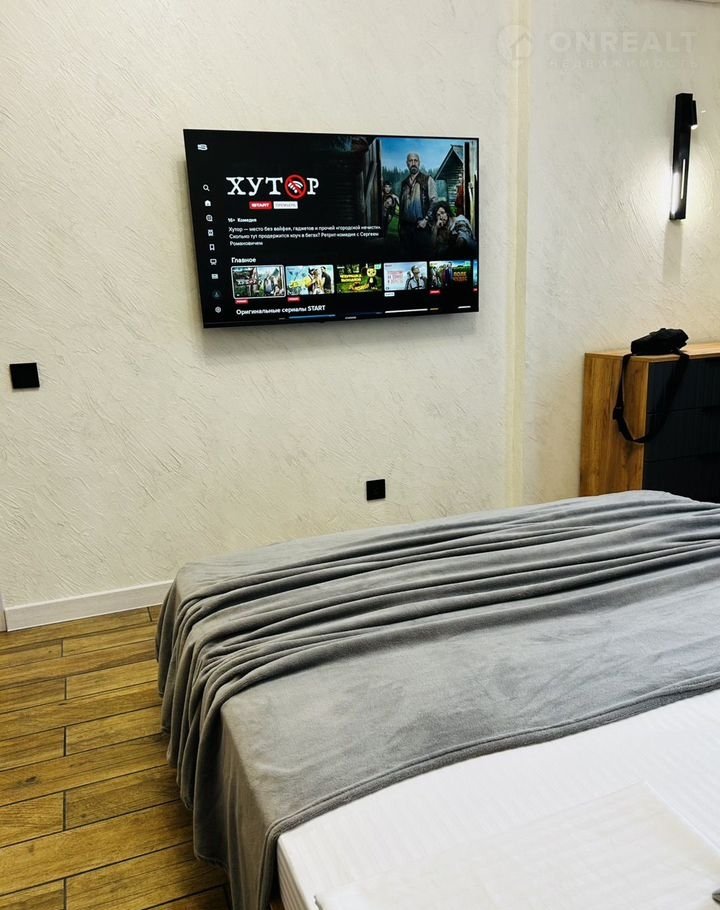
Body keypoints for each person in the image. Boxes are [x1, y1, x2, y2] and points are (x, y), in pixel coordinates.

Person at [399, 153, 438, 254]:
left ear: (419, 163)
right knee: (407, 257)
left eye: (415, 160)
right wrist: (401, 227)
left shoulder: (427, 180)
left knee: (422, 256)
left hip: (422, 228)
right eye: (410, 160)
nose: (413, 163)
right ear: (407, 163)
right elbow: (402, 207)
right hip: (406, 230)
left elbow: (434, 202)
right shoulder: (404, 183)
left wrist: (426, 220)